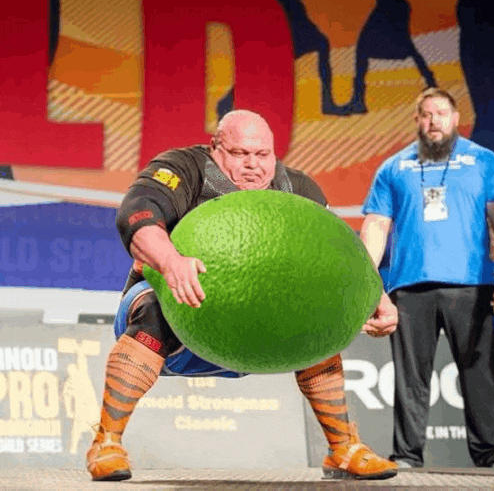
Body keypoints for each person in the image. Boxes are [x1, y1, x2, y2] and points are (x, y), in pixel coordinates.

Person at [86, 110, 398, 481]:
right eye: (239, 154)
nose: (252, 165)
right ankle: (106, 443)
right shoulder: (184, 168)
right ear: (216, 149)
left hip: (259, 333)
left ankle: (344, 448)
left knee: (319, 319)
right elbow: (136, 215)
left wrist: (377, 295)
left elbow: (338, 257)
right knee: (154, 306)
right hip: (179, 323)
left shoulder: (299, 190)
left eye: (262, 155)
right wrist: (171, 262)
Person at [360, 88, 494, 469]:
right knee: (410, 378)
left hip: (471, 284)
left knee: (480, 372)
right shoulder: (393, 168)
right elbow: (376, 225)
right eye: (425, 114)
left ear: (456, 118)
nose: (433, 120)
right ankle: (406, 456)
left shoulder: (484, 162)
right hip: (408, 287)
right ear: (417, 121)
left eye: (440, 112)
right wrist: (368, 281)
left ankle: (490, 454)